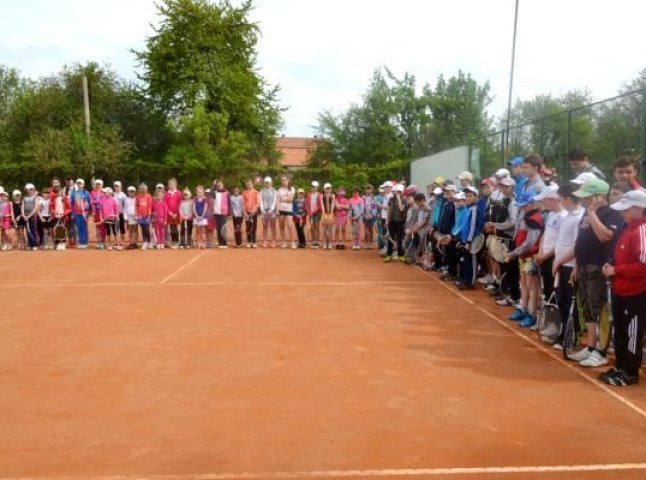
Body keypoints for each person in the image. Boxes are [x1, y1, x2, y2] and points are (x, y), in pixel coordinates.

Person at [570, 178, 624, 368]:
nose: (584, 201)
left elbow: (605, 236)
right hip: (584, 265)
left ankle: (601, 350)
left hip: (598, 266)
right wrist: (576, 265)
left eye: (588, 197)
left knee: (599, 309)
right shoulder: (587, 212)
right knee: (588, 308)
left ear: (600, 197)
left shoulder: (613, 214)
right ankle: (591, 346)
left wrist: (592, 213)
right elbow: (581, 240)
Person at [600, 190, 646, 386]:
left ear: (639, 208)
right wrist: (610, 264)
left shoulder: (642, 230)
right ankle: (620, 365)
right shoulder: (627, 228)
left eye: (626, 209)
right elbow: (620, 256)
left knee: (633, 331)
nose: (622, 213)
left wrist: (616, 270)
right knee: (620, 329)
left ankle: (630, 372)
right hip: (620, 288)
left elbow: (643, 266)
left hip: (636, 292)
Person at [550, 184, 585, 348]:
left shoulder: (579, 218)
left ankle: (572, 338)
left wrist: (562, 262)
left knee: (572, 305)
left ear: (569, 199)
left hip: (570, 267)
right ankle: (564, 333)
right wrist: (557, 261)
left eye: (560, 199)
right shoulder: (567, 217)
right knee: (562, 301)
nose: (559, 202)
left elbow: (577, 246)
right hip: (562, 265)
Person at [505, 191, 544, 326]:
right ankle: (523, 308)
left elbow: (530, 242)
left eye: (525, 205)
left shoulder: (535, 219)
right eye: (521, 205)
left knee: (532, 287)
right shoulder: (526, 215)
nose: (522, 208)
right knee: (524, 284)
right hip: (523, 256)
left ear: (533, 204)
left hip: (531, 257)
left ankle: (532, 314)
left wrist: (514, 253)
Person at [533, 185, 567, 303]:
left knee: (554, 290)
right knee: (547, 288)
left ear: (552, 199)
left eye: (544, 200)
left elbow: (560, 241)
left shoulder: (564, 216)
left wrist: (544, 256)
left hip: (554, 257)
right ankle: (547, 316)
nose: (543, 202)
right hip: (544, 257)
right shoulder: (551, 214)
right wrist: (540, 253)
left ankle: (554, 317)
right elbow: (545, 234)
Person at [456, 186, 484, 289]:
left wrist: (468, 241)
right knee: (466, 261)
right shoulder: (468, 209)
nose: (467, 198)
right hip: (465, 239)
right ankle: (466, 280)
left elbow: (472, 227)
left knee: (472, 261)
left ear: (475, 197)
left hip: (471, 241)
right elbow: (464, 226)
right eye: (466, 196)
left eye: (470, 196)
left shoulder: (474, 209)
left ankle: (471, 282)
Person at [385, 184, 407, 262]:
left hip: (400, 222)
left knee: (399, 239)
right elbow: (389, 210)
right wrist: (387, 220)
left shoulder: (404, 200)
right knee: (390, 238)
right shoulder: (391, 199)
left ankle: (400, 254)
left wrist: (398, 199)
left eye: (399, 192)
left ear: (401, 192)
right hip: (392, 221)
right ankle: (389, 255)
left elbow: (401, 209)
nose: (397, 193)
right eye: (396, 192)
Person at [70, 179, 91, 249]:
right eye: (78, 184)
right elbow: (72, 204)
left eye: (81, 184)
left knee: (84, 227)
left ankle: (85, 242)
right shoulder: (73, 193)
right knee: (79, 227)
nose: (79, 185)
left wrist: (88, 213)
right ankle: (81, 242)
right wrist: (72, 213)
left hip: (84, 213)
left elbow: (89, 203)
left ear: (83, 185)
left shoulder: (86, 193)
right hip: (76, 213)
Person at [277, 175, 296, 249]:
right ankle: (284, 242)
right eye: (282, 180)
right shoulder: (279, 190)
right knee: (282, 227)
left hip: (289, 210)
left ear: (288, 180)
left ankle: (292, 243)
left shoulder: (292, 189)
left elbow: (290, 200)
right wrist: (277, 210)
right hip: (281, 210)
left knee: (290, 226)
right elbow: (278, 201)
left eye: (284, 180)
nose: (283, 182)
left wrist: (282, 200)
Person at [22, 183, 41, 250]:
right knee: (28, 230)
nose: (29, 191)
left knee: (34, 229)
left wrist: (30, 215)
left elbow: (36, 207)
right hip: (26, 216)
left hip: (33, 216)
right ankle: (30, 244)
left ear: (33, 190)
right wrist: (24, 215)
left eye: (30, 189)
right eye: (27, 190)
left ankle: (35, 244)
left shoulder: (35, 198)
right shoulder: (24, 198)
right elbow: (22, 207)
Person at [164, 178, 182, 248]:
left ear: (176, 185)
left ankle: (177, 241)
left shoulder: (178, 193)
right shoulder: (166, 194)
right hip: (170, 214)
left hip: (176, 213)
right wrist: (169, 212)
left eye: (173, 184)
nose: (171, 186)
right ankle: (173, 241)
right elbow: (165, 204)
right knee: (171, 227)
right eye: (170, 184)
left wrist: (176, 213)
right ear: (168, 185)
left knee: (176, 227)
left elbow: (180, 203)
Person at [260, 177, 277, 248]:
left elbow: (275, 200)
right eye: (266, 182)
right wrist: (263, 210)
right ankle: (265, 241)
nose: (267, 184)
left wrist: (271, 209)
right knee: (265, 226)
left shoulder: (274, 190)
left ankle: (273, 241)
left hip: (272, 211)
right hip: (264, 211)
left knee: (273, 226)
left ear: (271, 183)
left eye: (268, 182)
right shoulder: (262, 191)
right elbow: (261, 201)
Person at [212, 180, 230, 249]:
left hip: (224, 213)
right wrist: (213, 185)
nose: (219, 187)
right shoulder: (215, 193)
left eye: (220, 185)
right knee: (218, 229)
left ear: (223, 185)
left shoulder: (227, 193)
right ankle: (220, 243)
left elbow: (229, 203)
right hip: (216, 213)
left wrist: (229, 213)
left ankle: (224, 243)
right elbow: (211, 193)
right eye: (217, 186)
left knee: (223, 228)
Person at [242, 180, 259, 248]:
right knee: (248, 227)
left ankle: (254, 242)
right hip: (247, 213)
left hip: (254, 213)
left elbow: (257, 202)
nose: (249, 186)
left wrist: (254, 210)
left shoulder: (256, 192)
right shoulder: (244, 193)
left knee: (254, 227)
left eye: (250, 184)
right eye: (248, 185)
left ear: (253, 185)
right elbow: (243, 203)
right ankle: (249, 241)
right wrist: (245, 212)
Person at [136, 183, 153, 250]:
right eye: (142, 188)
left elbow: (149, 206)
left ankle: (150, 242)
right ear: (140, 189)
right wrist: (137, 214)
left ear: (146, 189)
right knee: (143, 229)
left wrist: (149, 214)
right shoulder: (138, 196)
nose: (143, 189)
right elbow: (136, 206)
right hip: (140, 215)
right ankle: (145, 242)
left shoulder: (148, 196)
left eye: (144, 188)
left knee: (147, 228)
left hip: (147, 215)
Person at [90, 180, 106, 250]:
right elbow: (91, 202)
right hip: (96, 212)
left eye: (99, 184)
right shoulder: (92, 192)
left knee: (103, 227)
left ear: (102, 185)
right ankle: (98, 241)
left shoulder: (104, 192)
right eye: (97, 184)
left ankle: (103, 242)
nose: (98, 185)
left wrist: (96, 201)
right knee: (97, 227)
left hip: (103, 212)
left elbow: (104, 201)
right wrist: (93, 211)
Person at [305, 181, 322, 248]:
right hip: (310, 213)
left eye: (315, 187)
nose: (313, 188)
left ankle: (317, 241)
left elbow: (320, 205)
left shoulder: (320, 195)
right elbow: (306, 204)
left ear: (317, 187)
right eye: (312, 187)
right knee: (312, 227)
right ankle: (313, 241)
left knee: (317, 227)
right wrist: (309, 212)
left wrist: (314, 211)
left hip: (317, 213)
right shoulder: (308, 195)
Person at [320, 183, 335, 250]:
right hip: (324, 213)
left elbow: (332, 204)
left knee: (330, 229)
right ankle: (324, 243)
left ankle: (329, 243)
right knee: (324, 229)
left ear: (331, 189)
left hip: (330, 213)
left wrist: (331, 213)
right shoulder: (321, 196)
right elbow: (322, 204)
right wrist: (323, 213)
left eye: (329, 188)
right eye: (327, 188)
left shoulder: (333, 196)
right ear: (324, 189)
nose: (328, 189)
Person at [362, 184, 377, 249]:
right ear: (365, 190)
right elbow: (362, 207)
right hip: (365, 217)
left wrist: (373, 215)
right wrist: (364, 215)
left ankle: (370, 243)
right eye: (367, 189)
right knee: (366, 230)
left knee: (371, 230)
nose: (368, 191)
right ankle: (366, 243)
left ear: (372, 190)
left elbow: (374, 207)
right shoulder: (363, 198)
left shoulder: (373, 198)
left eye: (369, 189)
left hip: (372, 217)